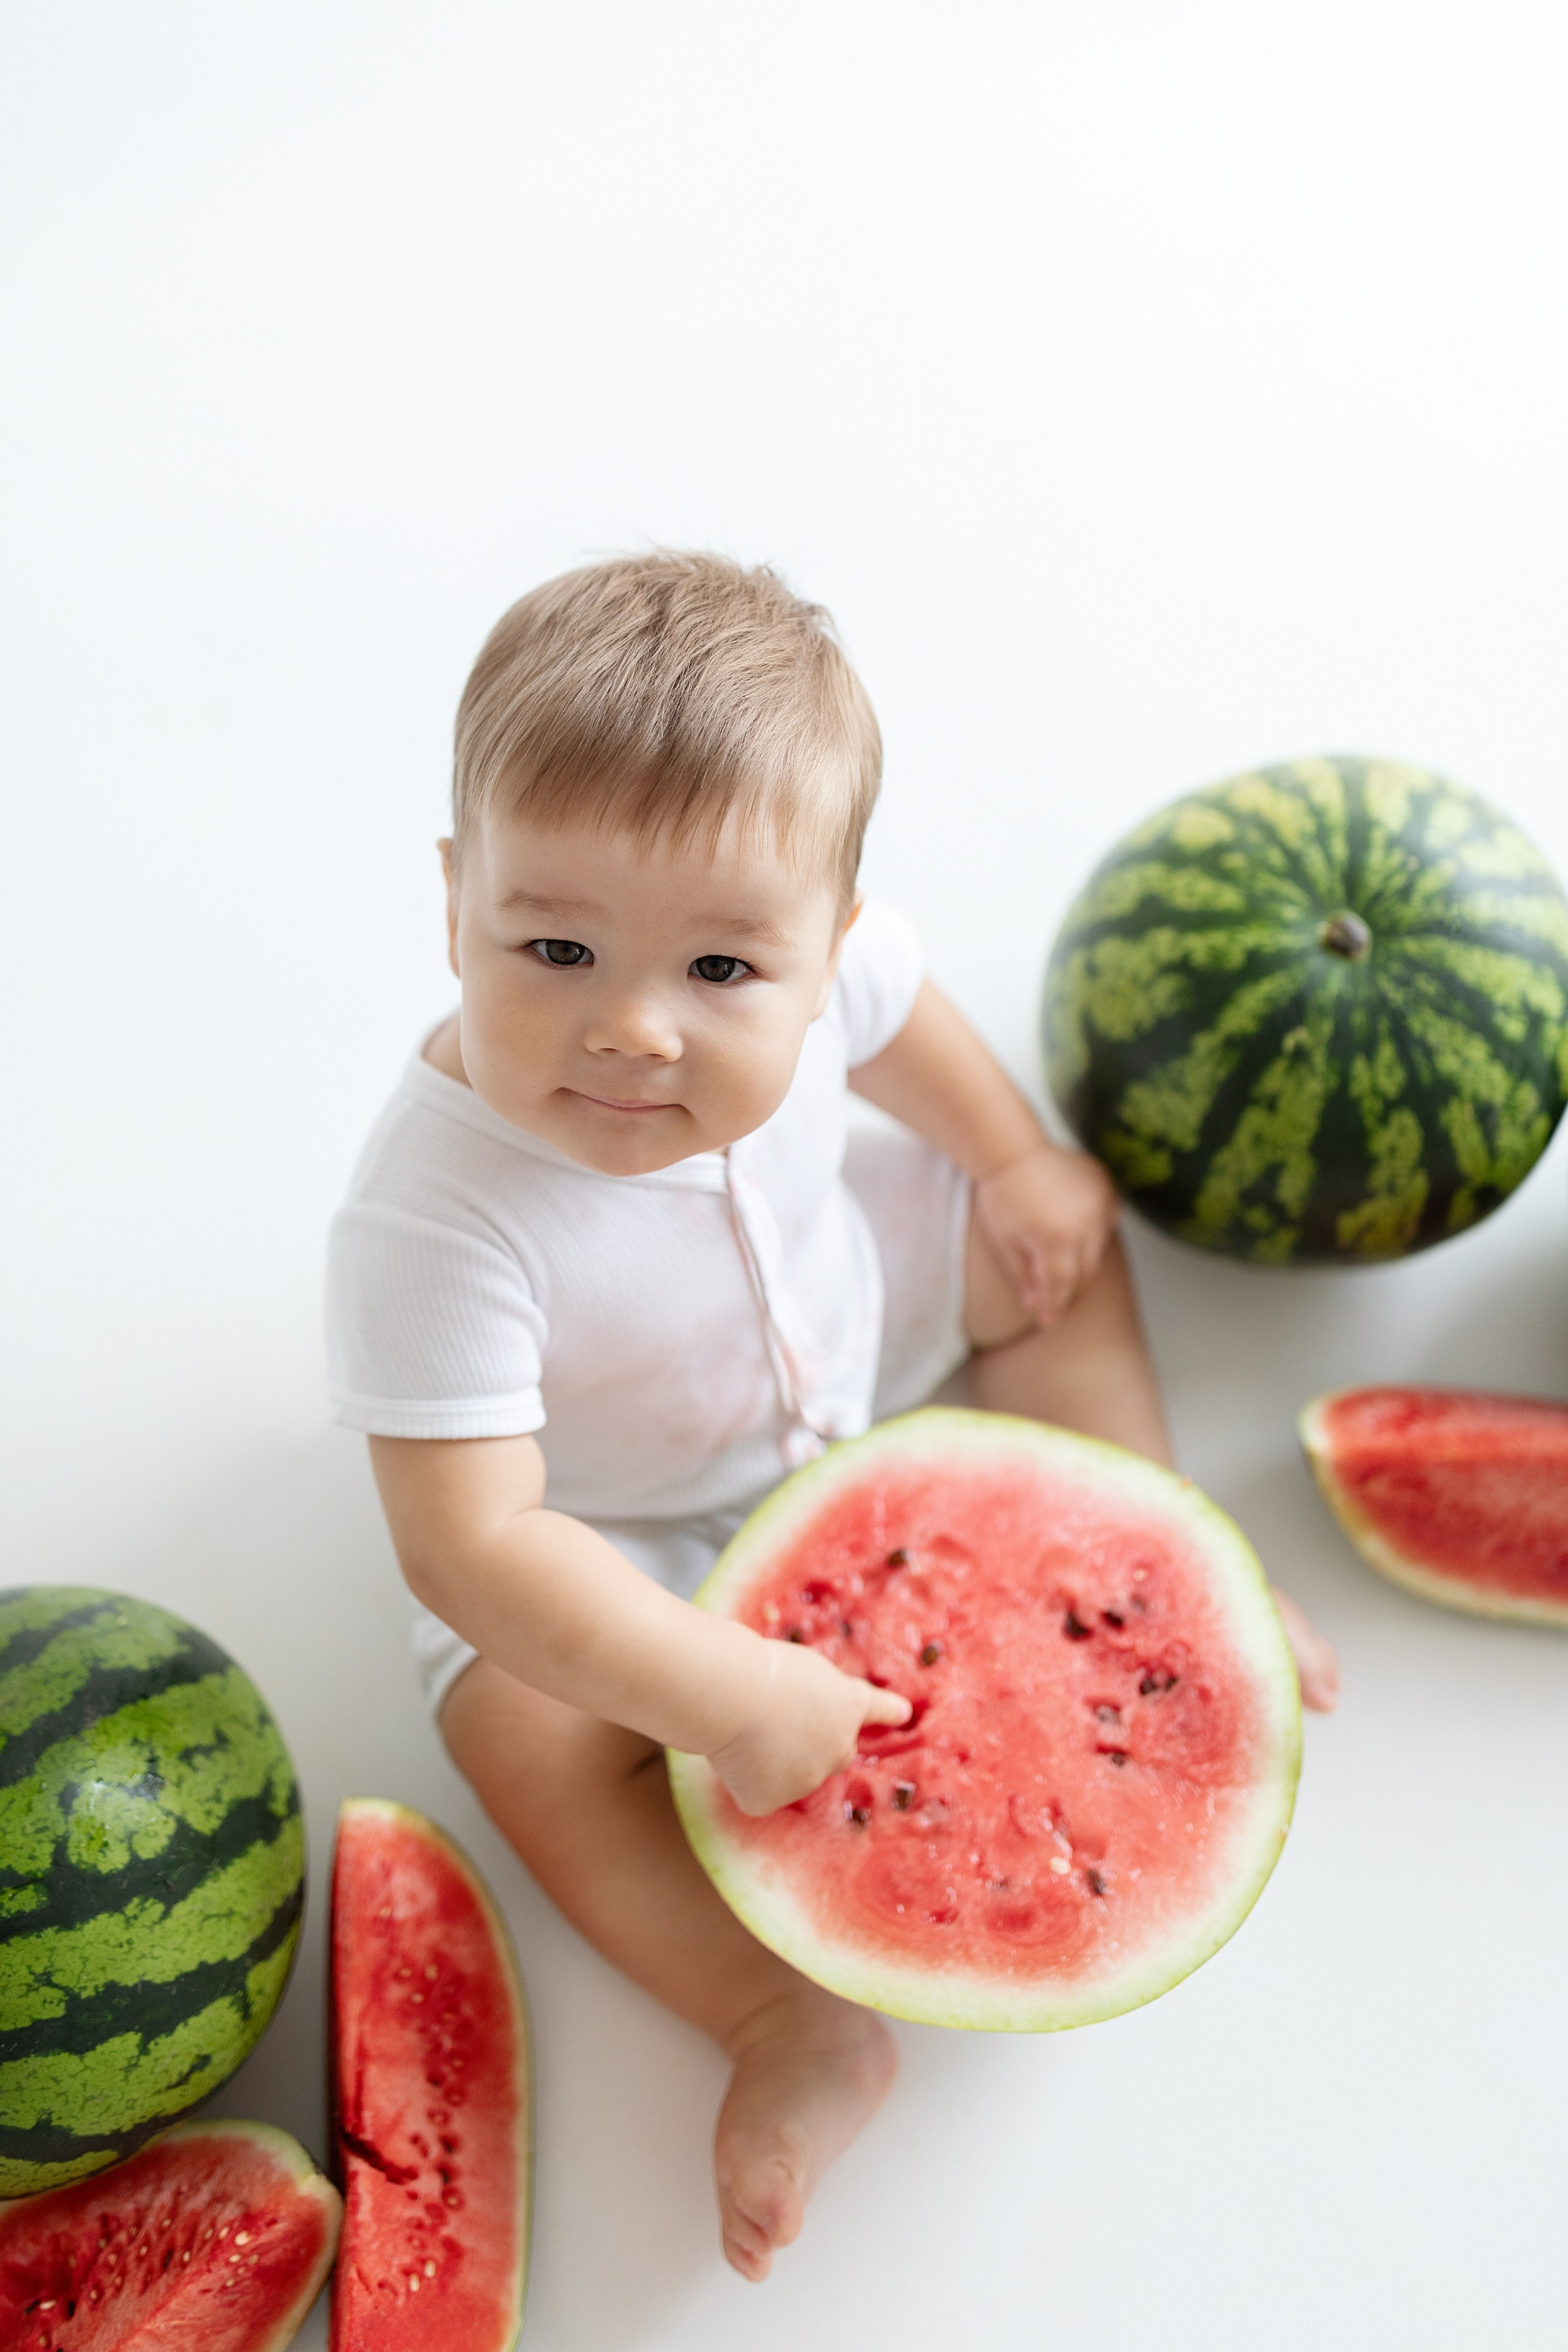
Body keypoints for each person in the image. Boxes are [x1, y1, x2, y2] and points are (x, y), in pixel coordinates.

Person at [326, 552, 1338, 2282]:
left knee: (1057, 1251)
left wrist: (1015, 1164)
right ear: (451, 901)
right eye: (553, 946)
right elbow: (470, 1542)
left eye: (725, 969)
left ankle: (1168, 1555)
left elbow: (913, 1038)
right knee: (510, 1724)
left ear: (830, 936)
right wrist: (722, 1693)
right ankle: (779, 2027)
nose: (633, 1029)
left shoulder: (839, 969)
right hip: (609, 1524)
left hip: (854, 1305)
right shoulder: (430, 1223)